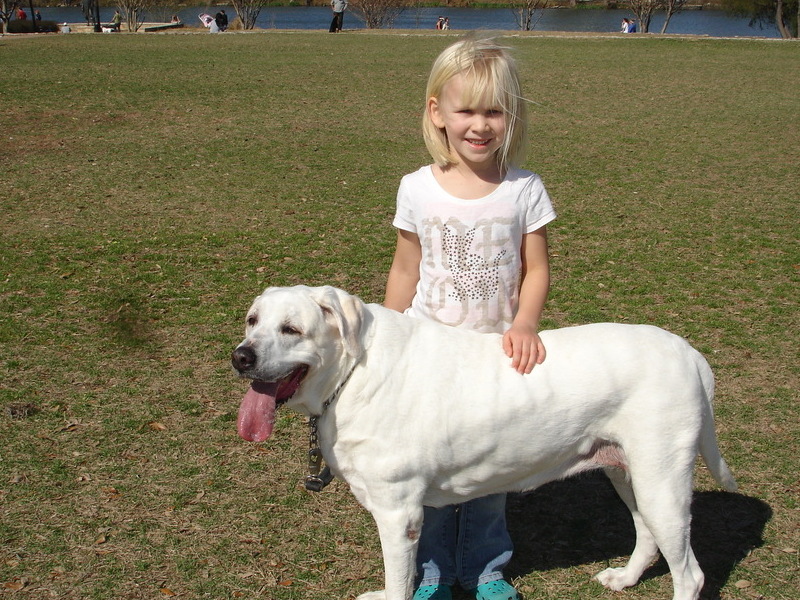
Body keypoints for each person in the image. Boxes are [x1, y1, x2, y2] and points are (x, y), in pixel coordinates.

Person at [384, 37, 556, 600]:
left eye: (494, 111)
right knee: (427, 470)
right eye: (466, 110)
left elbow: (536, 269)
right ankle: (431, 570)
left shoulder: (524, 189)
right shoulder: (417, 187)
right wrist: (388, 334)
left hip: (492, 359)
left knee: (489, 472)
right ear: (437, 112)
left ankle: (485, 569)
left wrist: (526, 323)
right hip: (427, 358)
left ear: (512, 116)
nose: (479, 125)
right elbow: (407, 268)